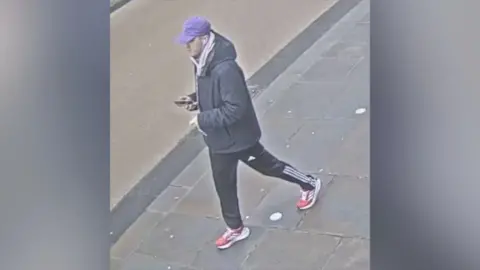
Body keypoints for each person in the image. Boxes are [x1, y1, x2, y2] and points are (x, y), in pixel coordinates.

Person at [174, 17, 322, 250]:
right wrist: (195, 100)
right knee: (223, 184)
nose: (187, 47)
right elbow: (212, 92)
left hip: (239, 139)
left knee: (269, 166)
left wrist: (202, 118)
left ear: (204, 39)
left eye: (190, 42)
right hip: (219, 141)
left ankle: (309, 183)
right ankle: (235, 228)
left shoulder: (226, 69)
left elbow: (235, 108)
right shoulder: (200, 60)